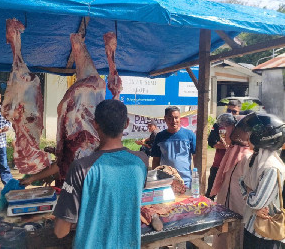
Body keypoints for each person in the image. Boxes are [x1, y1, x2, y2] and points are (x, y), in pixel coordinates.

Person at [53, 99, 148, 249]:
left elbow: (61, 231)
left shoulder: (81, 168)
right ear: (126, 123)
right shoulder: (141, 162)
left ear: (95, 124)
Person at [239, 113, 285, 249]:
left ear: (262, 138)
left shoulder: (271, 167)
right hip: (251, 227)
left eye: (252, 133)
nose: (248, 137)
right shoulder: (254, 160)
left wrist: (249, 194)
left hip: (267, 234)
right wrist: (252, 200)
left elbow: (257, 202)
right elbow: (241, 181)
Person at [211, 113, 253, 249]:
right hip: (225, 208)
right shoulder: (231, 151)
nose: (224, 132)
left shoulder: (247, 156)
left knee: (236, 240)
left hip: (239, 211)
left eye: (228, 129)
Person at [151, 106, 196, 188]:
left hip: (186, 182)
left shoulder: (189, 135)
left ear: (180, 118)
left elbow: (196, 158)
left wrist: (197, 178)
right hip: (166, 182)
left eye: (176, 118)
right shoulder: (160, 136)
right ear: (165, 119)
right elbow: (155, 160)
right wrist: (155, 180)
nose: (173, 121)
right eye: (170, 118)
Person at [205, 99, 241, 200]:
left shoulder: (241, 126)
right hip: (218, 164)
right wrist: (229, 146)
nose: (231, 114)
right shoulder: (219, 123)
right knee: (210, 195)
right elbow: (212, 142)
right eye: (229, 110)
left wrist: (229, 145)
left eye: (234, 111)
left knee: (231, 197)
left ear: (239, 111)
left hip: (234, 167)